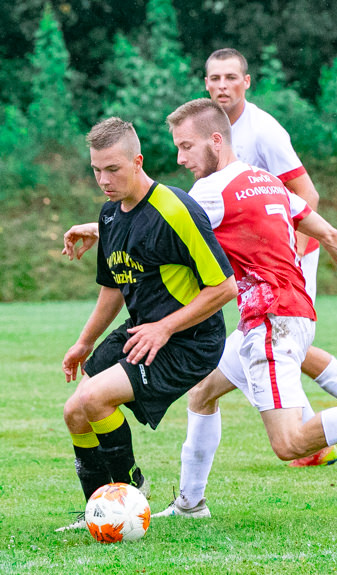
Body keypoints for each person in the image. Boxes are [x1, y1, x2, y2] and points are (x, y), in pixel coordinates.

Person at [151, 98, 337, 518]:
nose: (180, 157)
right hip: (291, 314)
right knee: (204, 392)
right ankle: (191, 504)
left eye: (186, 146)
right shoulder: (266, 182)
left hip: (270, 322)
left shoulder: (209, 192)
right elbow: (332, 235)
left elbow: (154, 233)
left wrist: (100, 230)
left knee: (290, 443)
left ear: (215, 140)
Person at [204, 48, 337, 468]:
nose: (222, 86)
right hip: (254, 265)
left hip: (287, 260)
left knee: (268, 345)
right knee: (288, 350)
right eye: (214, 78)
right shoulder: (209, 131)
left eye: (230, 77)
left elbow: (308, 195)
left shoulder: (263, 130)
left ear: (246, 82)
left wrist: (291, 253)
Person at [55, 117, 238, 531]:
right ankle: (97, 514)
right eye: (96, 170)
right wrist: (84, 343)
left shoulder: (175, 209)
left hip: (191, 339)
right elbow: (113, 288)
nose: (103, 179)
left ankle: (128, 495)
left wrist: (165, 328)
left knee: (95, 399)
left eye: (113, 169)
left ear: (138, 161)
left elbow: (225, 288)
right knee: (74, 412)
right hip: (145, 329)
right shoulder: (109, 216)